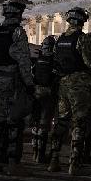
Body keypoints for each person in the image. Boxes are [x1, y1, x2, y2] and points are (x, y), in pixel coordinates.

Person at [47, 7, 91, 176]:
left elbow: (55, 60)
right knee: (79, 122)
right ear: (82, 21)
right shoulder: (82, 38)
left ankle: (54, 159)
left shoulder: (60, 39)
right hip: (79, 84)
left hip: (63, 83)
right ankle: (74, 163)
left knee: (61, 121)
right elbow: (90, 63)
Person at [0, 0, 34, 176]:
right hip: (12, 82)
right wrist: (29, 84)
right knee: (14, 123)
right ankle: (12, 164)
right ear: (18, 15)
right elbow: (23, 61)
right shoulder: (18, 32)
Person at [30, 35, 56, 164]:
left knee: (35, 123)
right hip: (48, 93)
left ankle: (34, 152)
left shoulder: (38, 59)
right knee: (44, 124)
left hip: (36, 91)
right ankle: (40, 154)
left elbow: (33, 74)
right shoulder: (54, 59)